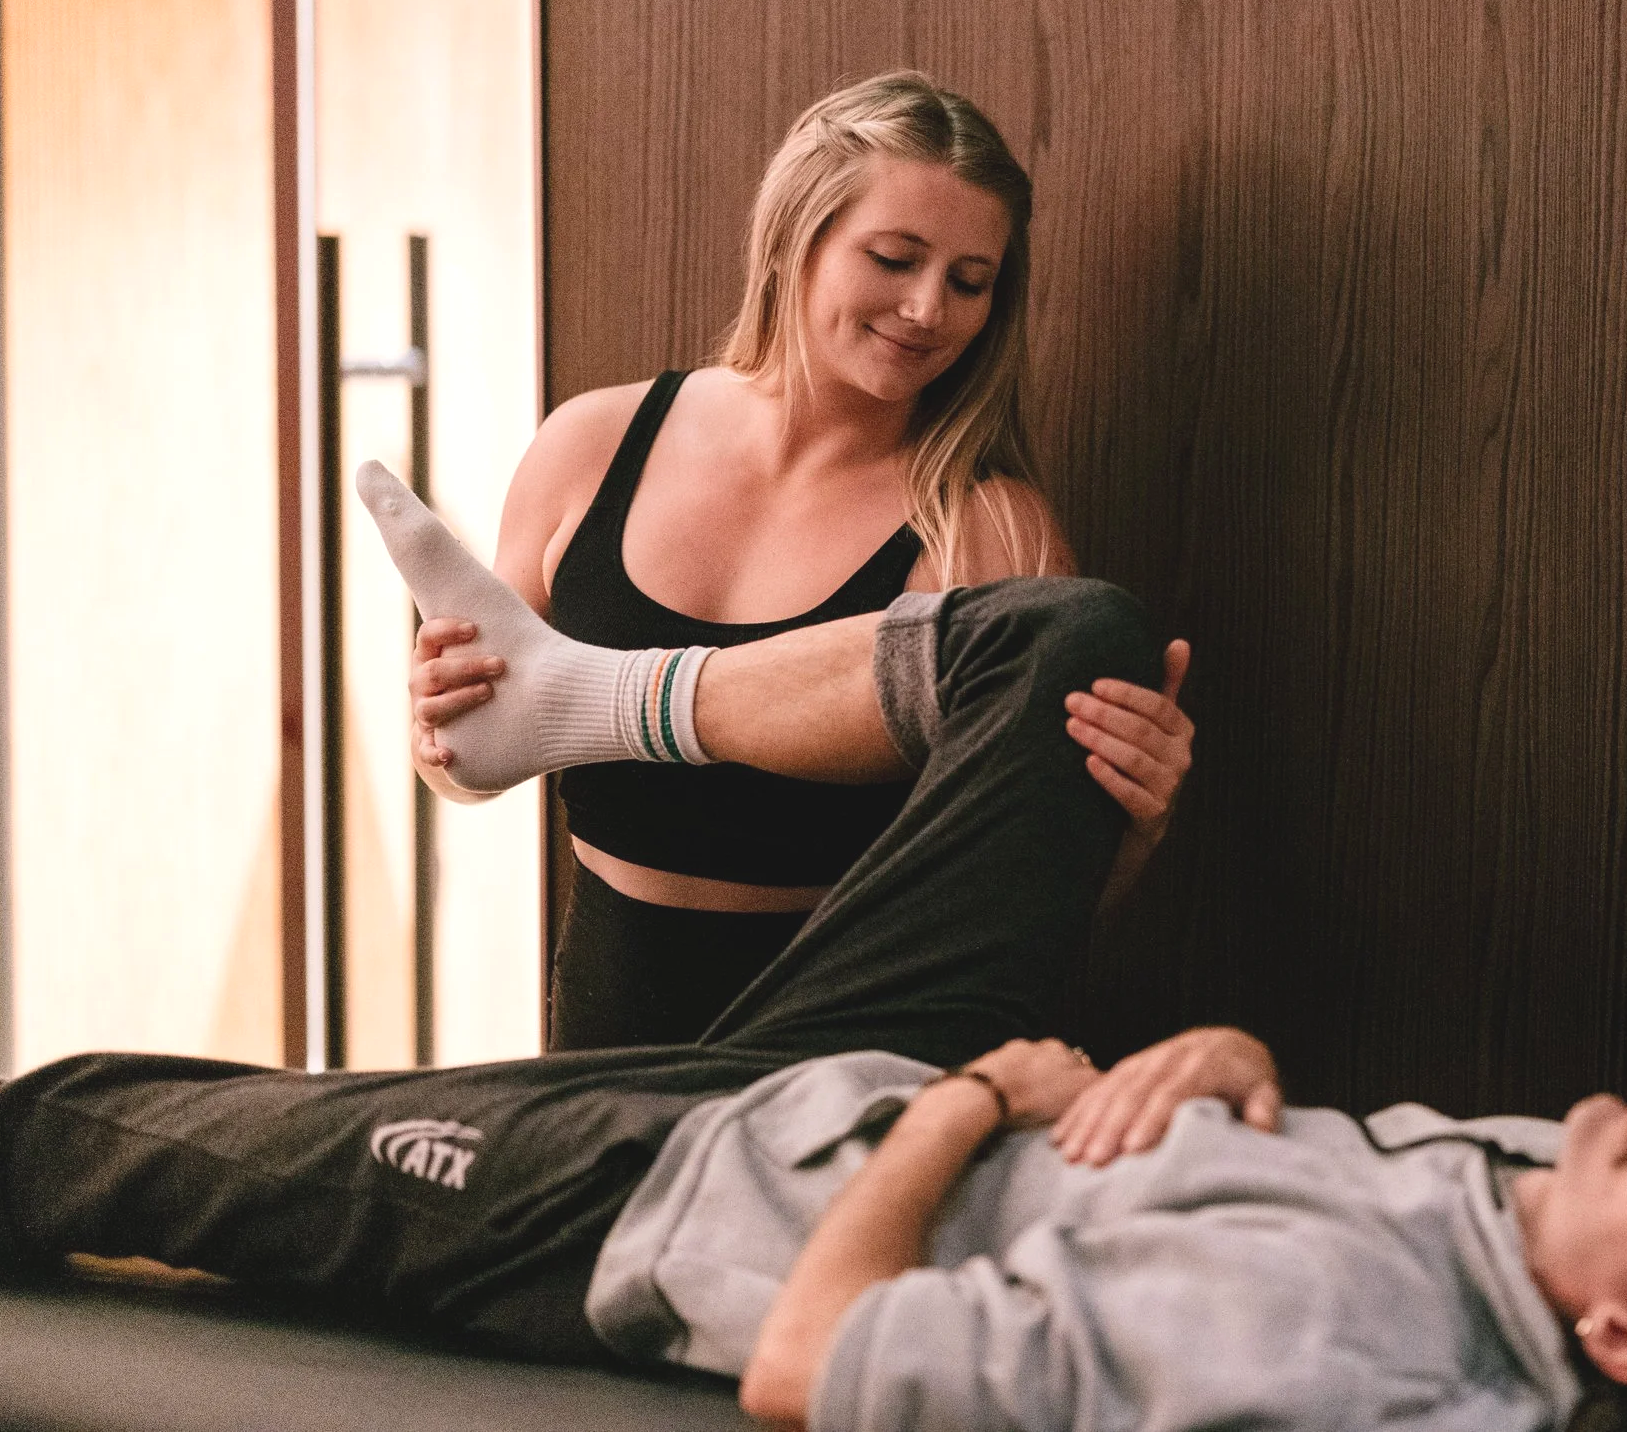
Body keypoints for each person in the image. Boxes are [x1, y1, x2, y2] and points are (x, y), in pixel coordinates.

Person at [0, 522, 1627, 1432]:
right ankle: (574, 697)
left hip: (693, 1191)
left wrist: (969, 1102)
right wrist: (1229, 1054)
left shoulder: (1316, 1337)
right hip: (861, 1072)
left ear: (1626, 1338)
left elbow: (811, 1370)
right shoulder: (1543, 1199)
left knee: (123, 1130)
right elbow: (1343, 1153)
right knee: (1080, 637)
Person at [410, 69, 1196, 1049]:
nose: (926, 308)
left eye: (969, 281)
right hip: (597, 1028)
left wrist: (1133, 824)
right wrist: (445, 736)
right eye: (894, 257)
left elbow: (1032, 900)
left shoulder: (988, 532)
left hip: (840, 1043)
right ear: (794, 236)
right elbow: (472, 759)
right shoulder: (591, 444)